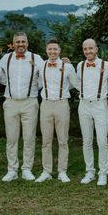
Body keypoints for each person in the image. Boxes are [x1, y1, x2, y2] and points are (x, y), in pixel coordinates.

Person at [0, 32, 44, 182]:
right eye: (18, 42)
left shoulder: (36, 58)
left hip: (30, 102)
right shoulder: (6, 58)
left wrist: (36, 87)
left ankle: (27, 169)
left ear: (27, 44)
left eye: (23, 41)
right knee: (11, 137)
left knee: (29, 137)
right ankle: (12, 170)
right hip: (10, 102)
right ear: (13, 44)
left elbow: (46, 75)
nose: (21, 44)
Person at [35, 39, 77, 183]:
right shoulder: (41, 66)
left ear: (59, 51)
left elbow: (74, 83)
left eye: (55, 49)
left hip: (62, 104)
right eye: (50, 49)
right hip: (45, 105)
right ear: (46, 51)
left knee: (63, 140)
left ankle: (62, 171)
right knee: (46, 140)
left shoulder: (68, 66)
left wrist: (64, 90)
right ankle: (46, 171)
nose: (52, 52)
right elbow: (38, 83)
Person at [75, 39, 108, 186]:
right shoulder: (80, 65)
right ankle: (90, 171)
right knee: (87, 140)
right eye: (85, 49)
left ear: (96, 49)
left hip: (100, 105)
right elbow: (77, 82)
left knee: (102, 141)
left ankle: (103, 173)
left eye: (90, 48)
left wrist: (104, 91)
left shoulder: (107, 65)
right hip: (84, 105)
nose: (88, 51)